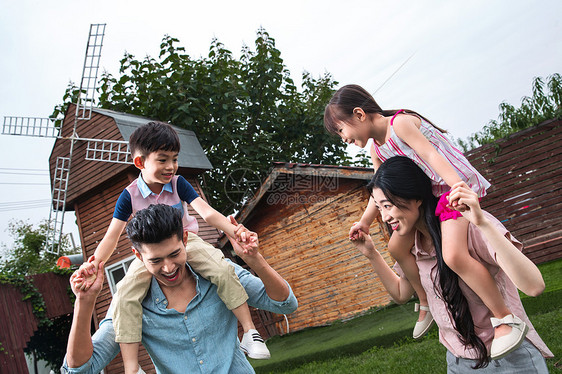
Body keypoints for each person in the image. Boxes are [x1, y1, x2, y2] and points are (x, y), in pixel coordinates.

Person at [324, 84, 525, 358]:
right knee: (396, 248)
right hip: (429, 199)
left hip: (448, 190)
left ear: (359, 114)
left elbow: (432, 156)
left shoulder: (401, 124)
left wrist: (458, 189)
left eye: (340, 130)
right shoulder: (378, 150)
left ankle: (503, 318)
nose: (342, 138)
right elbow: (378, 190)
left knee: (453, 255)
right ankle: (425, 301)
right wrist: (365, 222)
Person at [74, 121, 270, 373]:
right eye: (163, 160)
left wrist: (237, 232)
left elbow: (207, 213)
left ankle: (250, 332)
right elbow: (112, 237)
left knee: (221, 269)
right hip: (150, 254)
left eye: (174, 159)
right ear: (140, 163)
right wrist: (93, 265)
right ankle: (132, 368)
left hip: (187, 241)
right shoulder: (129, 195)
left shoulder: (178, 184)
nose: (171, 166)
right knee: (124, 294)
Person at [351, 156, 552, 372]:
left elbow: (535, 286)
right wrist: (371, 254)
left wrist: (483, 223)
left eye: (388, 205)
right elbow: (401, 293)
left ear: (415, 197)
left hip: (509, 359)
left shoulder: (468, 226)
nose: (385, 216)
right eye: (380, 208)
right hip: (459, 362)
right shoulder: (412, 245)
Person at [63, 204, 298, 374]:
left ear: (185, 240)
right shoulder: (130, 304)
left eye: (175, 254)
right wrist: (84, 302)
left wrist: (254, 259)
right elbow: (80, 368)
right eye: (155, 261)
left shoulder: (219, 274)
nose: (168, 268)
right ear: (138, 256)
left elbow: (285, 303)